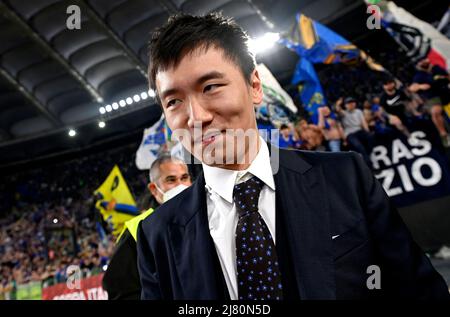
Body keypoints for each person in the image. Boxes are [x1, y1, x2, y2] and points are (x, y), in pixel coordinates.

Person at [137, 12, 449, 300]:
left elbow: (420, 292)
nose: (196, 116)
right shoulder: (157, 235)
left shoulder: (345, 177)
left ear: (255, 86)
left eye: (210, 87)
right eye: (174, 101)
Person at [102, 154, 191, 300]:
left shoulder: (207, 213)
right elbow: (121, 288)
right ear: (154, 189)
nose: (180, 185)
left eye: (184, 178)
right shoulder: (138, 228)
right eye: (171, 180)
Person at [409, 58, 450, 146]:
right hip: (433, 97)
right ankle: (444, 134)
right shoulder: (419, 75)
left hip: (445, 92)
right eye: (420, 61)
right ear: (418, 64)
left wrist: (443, 78)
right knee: (435, 111)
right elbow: (412, 88)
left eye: (424, 59)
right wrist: (420, 86)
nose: (423, 62)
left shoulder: (437, 68)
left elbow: (448, 77)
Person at [335, 97, 374, 165]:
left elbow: (363, 122)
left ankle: (367, 155)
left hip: (359, 131)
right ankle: (369, 164)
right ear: (345, 105)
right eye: (349, 103)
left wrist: (367, 132)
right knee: (359, 146)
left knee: (371, 136)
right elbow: (338, 110)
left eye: (352, 102)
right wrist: (338, 104)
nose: (351, 104)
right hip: (350, 134)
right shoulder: (344, 113)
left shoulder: (358, 111)